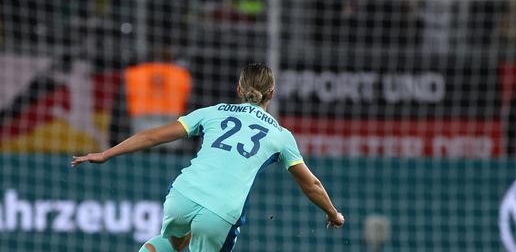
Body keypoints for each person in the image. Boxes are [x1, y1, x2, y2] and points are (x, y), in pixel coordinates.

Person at [72, 63, 345, 251]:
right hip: (221, 213)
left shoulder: (211, 112)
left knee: (172, 242)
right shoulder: (281, 136)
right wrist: (333, 213)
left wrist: (106, 153)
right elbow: (311, 185)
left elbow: (153, 136)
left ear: (238, 90)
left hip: (182, 195)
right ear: (272, 94)